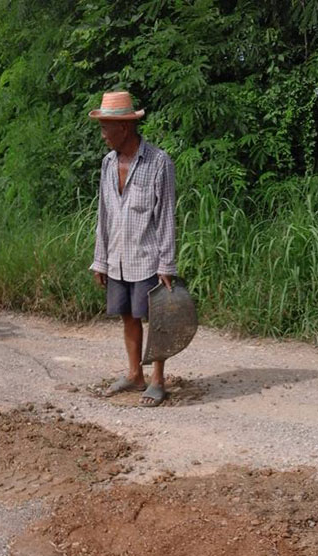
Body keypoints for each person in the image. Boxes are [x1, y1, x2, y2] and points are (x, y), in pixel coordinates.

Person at [89, 90, 177, 407]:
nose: (102, 136)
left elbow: (166, 216)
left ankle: (157, 380)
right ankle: (134, 374)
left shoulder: (158, 162)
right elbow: (104, 214)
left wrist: (166, 265)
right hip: (118, 258)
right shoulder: (108, 164)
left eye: (105, 129)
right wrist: (101, 260)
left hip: (147, 256)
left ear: (124, 128)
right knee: (127, 315)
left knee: (155, 318)